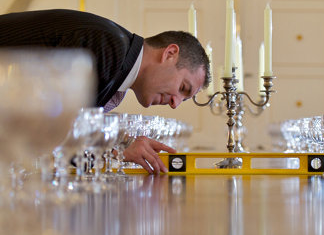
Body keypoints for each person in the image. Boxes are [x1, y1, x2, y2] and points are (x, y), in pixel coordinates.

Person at [0, 9, 211, 173]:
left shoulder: (118, 52)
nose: (175, 103)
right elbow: (56, 135)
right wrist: (119, 153)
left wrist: (121, 145)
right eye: (183, 88)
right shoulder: (109, 47)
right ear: (170, 53)